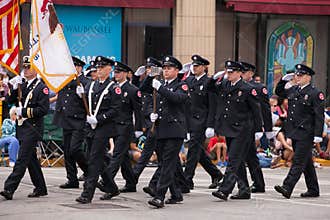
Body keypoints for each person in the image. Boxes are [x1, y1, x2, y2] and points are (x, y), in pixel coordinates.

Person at [208, 60, 263, 201]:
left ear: (239, 73)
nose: (229, 74)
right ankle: (244, 189)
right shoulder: (225, 84)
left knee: (232, 160)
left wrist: (258, 129)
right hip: (229, 128)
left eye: (231, 72)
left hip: (243, 129)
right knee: (237, 161)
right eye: (227, 71)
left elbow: (256, 110)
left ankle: (224, 190)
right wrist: (214, 78)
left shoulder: (247, 88)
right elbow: (210, 89)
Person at [142, 55, 189, 208]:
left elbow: (176, 98)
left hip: (175, 130)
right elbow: (142, 91)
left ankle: (159, 196)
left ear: (177, 70)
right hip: (161, 129)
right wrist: (151, 113)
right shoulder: (158, 83)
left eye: (169, 68)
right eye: (164, 68)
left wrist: (160, 87)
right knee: (165, 163)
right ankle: (176, 194)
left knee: (167, 164)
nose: (166, 71)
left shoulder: (182, 85)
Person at [0, 56, 49, 200]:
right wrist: (14, 89)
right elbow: (10, 101)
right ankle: (40, 188)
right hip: (22, 128)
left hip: (33, 128)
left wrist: (25, 111)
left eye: (29, 67)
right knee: (31, 160)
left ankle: (9, 188)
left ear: (36, 70)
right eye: (25, 67)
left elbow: (43, 109)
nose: (25, 70)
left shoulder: (42, 87)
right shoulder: (24, 85)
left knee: (21, 159)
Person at [75, 56, 121, 204]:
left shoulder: (114, 88)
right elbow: (85, 105)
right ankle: (112, 187)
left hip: (104, 128)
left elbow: (116, 110)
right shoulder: (91, 86)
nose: (99, 70)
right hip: (90, 128)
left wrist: (99, 119)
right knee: (97, 160)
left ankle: (87, 193)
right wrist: (79, 95)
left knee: (94, 160)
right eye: (97, 68)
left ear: (110, 69)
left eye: (102, 67)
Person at [274, 64, 324, 199]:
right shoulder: (294, 90)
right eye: (296, 75)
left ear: (308, 77)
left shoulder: (315, 93)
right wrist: (284, 80)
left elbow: (319, 116)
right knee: (306, 162)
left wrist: (318, 134)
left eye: (300, 75)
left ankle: (287, 186)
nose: (297, 77)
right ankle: (313, 189)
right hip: (294, 131)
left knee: (298, 161)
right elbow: (279, 92)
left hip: (306, 133)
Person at [100, 61, 142, 199]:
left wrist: (138, 129)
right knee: (123, 157)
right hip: (114, 126)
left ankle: (107, 183)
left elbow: (137, 111)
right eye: (115, 72)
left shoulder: (132, 90)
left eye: (118, 72)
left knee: (117, 155)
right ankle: (131, 183)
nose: (116, 74)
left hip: (125, 126)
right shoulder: (113, 88)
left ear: (126, 74)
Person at [184, 54, 223, 190]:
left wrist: (211, 125)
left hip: (202, 122)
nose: (194, 68)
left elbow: (213, 105)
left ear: (204, 67)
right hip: (190, 121)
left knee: (193, 151)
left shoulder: (209, 82)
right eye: (193, 66)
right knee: (197, 151)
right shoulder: (189, 81)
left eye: (197, 66)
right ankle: (216, 173)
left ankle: (187, 179)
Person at [53, 56, 89, 189]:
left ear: (79, 67)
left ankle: (88, 171)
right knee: (67, 151)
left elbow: (90, 102)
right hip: (65, 119)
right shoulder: (64, 80)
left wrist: (83, 94)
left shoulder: (85, 81)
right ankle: (72, 179)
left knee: (75, 149)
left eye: (74, 66)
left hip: (78, 119)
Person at [239, 61, 272, 194]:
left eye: (244, 72)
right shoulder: (238, 86)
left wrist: (267, 129)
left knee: (242, 156)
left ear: (251, 73)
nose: (241, 74)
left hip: (251, 126)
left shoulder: (258, 87)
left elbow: (265, 109)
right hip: (240, 126)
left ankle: (244, 185)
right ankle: (258, 183)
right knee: (250, 156)